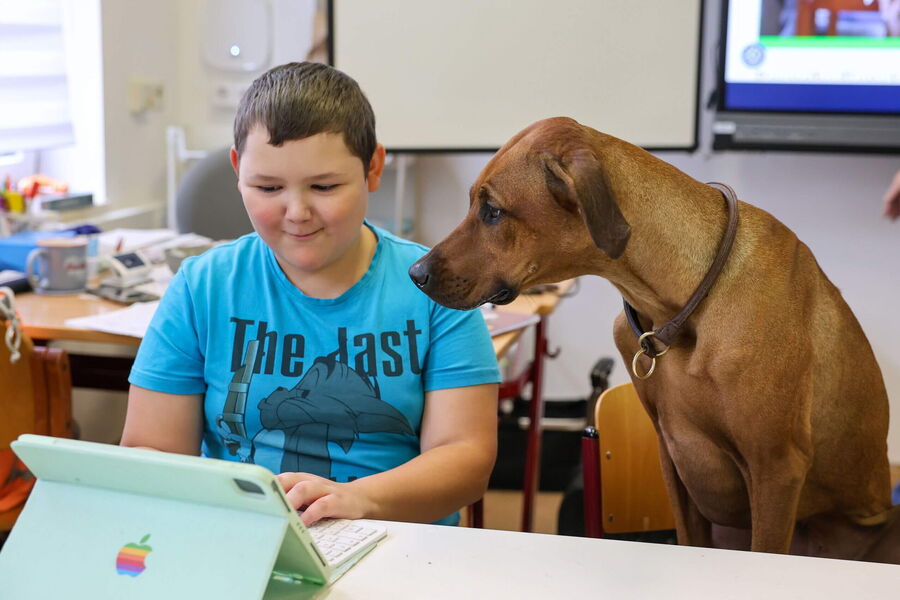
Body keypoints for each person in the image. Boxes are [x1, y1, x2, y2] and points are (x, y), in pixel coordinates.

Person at [121, 62, 501, 527]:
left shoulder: (435, 287)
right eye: (268, 187)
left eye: (324, 186)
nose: (297, 212)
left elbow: (464, 459)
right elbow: (153, 452)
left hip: (395, 538)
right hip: (241, 534)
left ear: (373, 168)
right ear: (238, 170)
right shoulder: (202, 286)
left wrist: (356, 499)